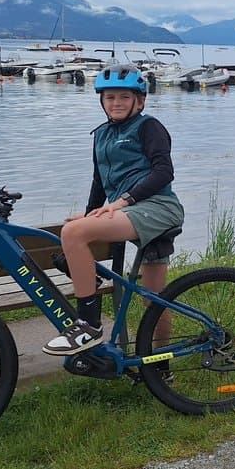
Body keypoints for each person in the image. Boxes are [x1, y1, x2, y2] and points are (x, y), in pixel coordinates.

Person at [45, 67, 185, 355]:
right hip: (128, 212)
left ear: (140, 101)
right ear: (102, 101)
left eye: (124, 96)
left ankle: (88, 325)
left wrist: (124, 200)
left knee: (72, 233)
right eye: (110, 97)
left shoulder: (149, 127)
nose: (116, 102)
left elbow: (164, 172)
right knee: (153, 300)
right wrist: (89, 213)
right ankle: (159, 366)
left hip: (157, 207)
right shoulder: (101, 135)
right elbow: (99, 183)